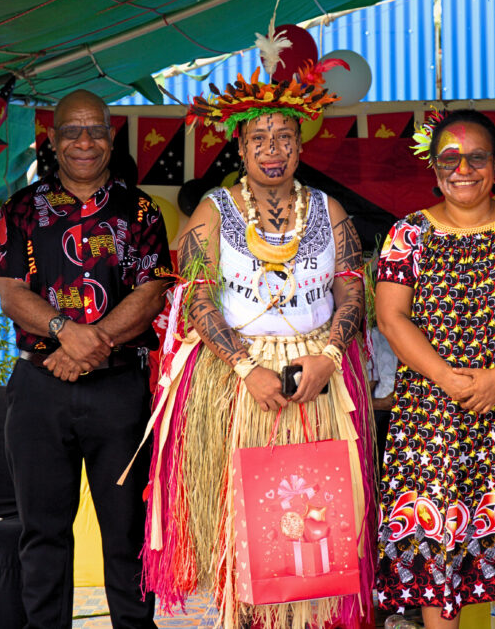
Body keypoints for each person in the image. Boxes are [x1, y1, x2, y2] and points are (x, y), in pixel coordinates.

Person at [134, 68, 376, 629]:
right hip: (237, 384)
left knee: (319, 525)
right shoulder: (213, 212)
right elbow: (196, 298)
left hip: (319, 378)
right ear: (239, 146)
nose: (273, 151)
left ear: (300, 144)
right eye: (260, 140)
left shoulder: (330, 210)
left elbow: (353, 291)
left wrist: (329, 358)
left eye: (285, 138)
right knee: (245, 531)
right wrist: (245, 368)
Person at [0, 89, 172, 629]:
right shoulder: (20, 209)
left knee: (128, 532)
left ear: (111, 139)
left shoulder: (140, 210)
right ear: (53, 140)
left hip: (119, 393)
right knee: (42, 531)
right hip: (39, 389)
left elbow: (152, 292)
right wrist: (67, 332)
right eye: (72, 131)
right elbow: (12, 292)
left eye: (95, 130)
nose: (84, 141)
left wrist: (89, 350)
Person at [374, 109, 495, 629]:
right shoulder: (407, 234)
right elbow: (390, 317)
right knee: (436, 544)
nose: (464, 169)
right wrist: (446, 377)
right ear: (434, 168)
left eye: (476, 157)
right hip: (431, 413)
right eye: (450, 159)